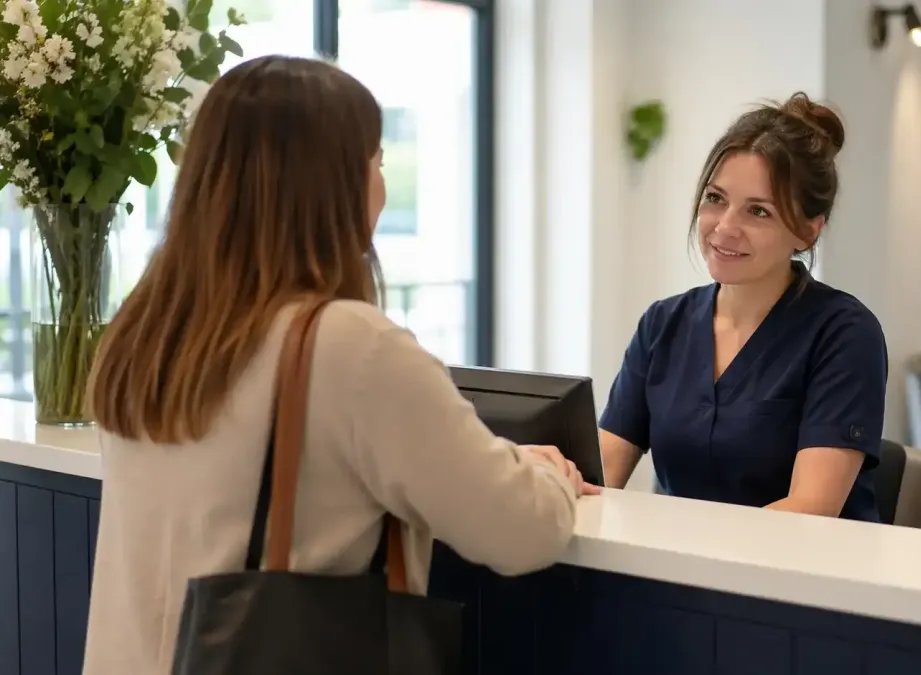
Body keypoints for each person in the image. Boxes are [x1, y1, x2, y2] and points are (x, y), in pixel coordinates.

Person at [81, 56, 595, 675]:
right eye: (376, 161)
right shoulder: (348, 345)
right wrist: (547, 475)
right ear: (333, 186)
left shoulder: (143, 333)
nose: (381, 182)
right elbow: (522, 532)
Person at [599, 92, 888, 522]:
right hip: (679, 573)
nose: (726, 228)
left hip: (801, 580)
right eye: (715, 199)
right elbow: (600, 472)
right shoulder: (663, 324)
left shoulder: (844, 334)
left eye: (758, 211)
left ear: (808, 231)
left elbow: (809, 512)